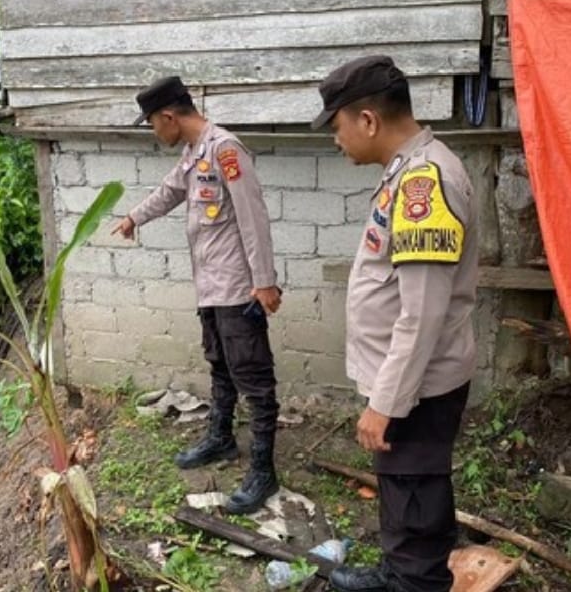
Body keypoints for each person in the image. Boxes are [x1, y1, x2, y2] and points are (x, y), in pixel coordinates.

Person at [311, 56, 478, 592]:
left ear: (367, 120)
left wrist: (385, 403)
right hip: (409, 383)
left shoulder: (424, 182)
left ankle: (413, 581)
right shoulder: (407, 171)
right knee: (405, 490)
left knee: (414, 495)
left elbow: (423, 312)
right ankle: (398, 570)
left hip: (416, 389)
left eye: (337, 127)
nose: (337, 141)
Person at [112, 76, 283, 515]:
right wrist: (134, 217)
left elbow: (253, 218)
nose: (154, 132)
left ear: (169, 116)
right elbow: (169, 192)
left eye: (153, 123)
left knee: (254, 379)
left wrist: (264, 280)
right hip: (210, 286)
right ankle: (221, 439)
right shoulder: (193, 154)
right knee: (220, 365)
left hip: (236, 288)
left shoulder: (226, 150)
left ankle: (263, 470)